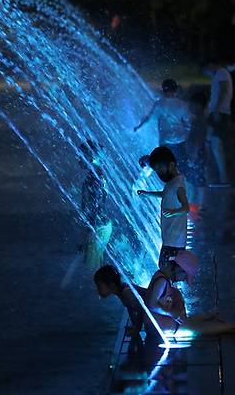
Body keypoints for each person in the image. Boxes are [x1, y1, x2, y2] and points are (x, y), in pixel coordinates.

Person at [144, 250, 235, 337]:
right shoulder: (162, 281)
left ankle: (209, 316)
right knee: (199, 328)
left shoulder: (162, 276)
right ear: (179, 269)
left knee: (187, 321)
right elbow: (152, 305)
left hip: (159, 323)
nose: (184, 280)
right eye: (185, 276)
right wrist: (172, 313)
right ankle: (232, 326)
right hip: (159, 327)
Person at [137, 146, 189, 269]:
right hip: (170, 238)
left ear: (171, 165)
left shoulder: (178, 185)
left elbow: (186, 208)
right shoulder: (172, 183)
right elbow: (165, 194)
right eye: (157, 171)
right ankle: (170, 286)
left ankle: (168, 287)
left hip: (175, 241)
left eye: (160, 169)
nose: (159, 174)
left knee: (165, 268)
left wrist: (173, 212)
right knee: (167, 268)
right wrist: (147, 193)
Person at [134, 78, 192, 166]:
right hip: (182, 139)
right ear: (176, 89)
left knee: (165, 164)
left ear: (163, 90)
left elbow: (148, 118)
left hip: (166, 140)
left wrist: (138, 127)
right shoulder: (183, 104)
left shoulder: (159, 104)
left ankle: (147, 162)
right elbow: (188, 122)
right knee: (181, 165)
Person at [78, 140, 111, 269]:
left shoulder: (94, 177)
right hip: (101, 226)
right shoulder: (98, 174)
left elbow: (94, 206)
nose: (78, 158)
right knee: (95, 269)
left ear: (91, 156)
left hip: (98, 228)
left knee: (92, 271)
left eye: (81, 155)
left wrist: (87, 236)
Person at [94, 265, 148, 335]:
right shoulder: (120, 292)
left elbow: (141, 309)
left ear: (111, 285)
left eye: (99, 286)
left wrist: (137, 328)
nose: (97, 290)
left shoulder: (127, 292)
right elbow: (130, 309)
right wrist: (134, 325)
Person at [203, 59, 233, 186]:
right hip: (216, 113)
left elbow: (224, 90)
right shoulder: (219, 74)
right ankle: (214, 176)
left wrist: (216, 110)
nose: (206, 74)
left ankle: (223, 178)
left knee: (215, 145)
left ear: (210, 65)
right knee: (208, 142)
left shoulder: (222, 73)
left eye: (205, 71)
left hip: (220, 114)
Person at [184, 92, 208, 215]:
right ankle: (197, 205)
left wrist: (193, 154)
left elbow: (198, 139)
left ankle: (199, 206)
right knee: (196, 180)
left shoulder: (199, 121)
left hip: (197, 155)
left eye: (191, 105)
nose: (189, 107)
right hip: (197, 154)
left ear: (198, 106)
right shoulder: (198, 120)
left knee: (198, 181)